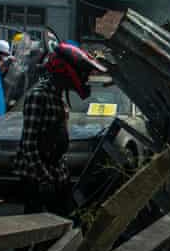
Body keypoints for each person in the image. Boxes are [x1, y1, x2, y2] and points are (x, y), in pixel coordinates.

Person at [13, 42, 105, 216]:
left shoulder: (58, 96)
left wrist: (61, 176)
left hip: (54, 172)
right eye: (81, 73)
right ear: (66, 71)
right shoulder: (39, 95)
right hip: (36, 176)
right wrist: (45, 179)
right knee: (37, 227)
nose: (84, 78)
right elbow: (29, 145)